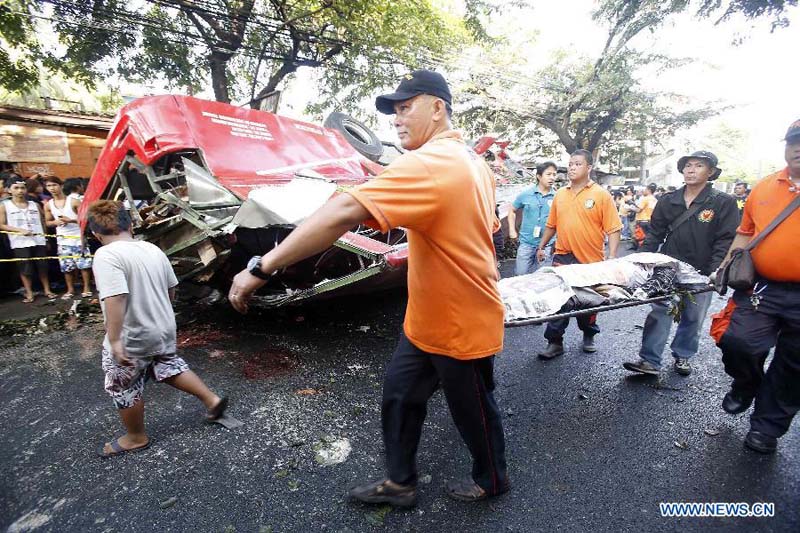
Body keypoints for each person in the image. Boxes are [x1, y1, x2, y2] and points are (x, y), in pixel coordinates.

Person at [228, 70, 509, 506]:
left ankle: (493, 480)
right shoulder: (472, 161)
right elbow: (484, 228)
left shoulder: (432, 163)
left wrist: (261, 268)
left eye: (405, 107)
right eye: (393, 112)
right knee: (400, 393)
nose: (396, 120)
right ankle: (400, 483)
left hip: (462, 319)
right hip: (428, 316)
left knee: (472, 409)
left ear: (438, 108)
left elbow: (342, 210)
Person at [88, 200, 229, 457]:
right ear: (130, 225)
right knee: (164, 364)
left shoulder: (106, 255)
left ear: (96, 234)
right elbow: (171, 288)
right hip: (162, 327)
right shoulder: (152, 249)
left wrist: (116, 340)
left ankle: (135, 437)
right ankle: (212, 400)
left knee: (123, 384)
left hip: (132, 333)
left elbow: (115, 297)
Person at [710, 119, 800, 454]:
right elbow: (746, 233)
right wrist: (723, 268)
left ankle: (766, 428)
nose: (798, 148)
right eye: (794, 141)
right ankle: (747, 382)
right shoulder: (763, 187)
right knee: (737, 342)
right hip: (761, 287)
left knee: (794, 365)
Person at [623, 150, 738, 376]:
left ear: (711, 172)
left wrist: (716, 270)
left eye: (698, 166)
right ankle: (649, 361)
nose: (691, 170)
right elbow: (654, 234)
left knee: (693, 317)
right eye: (688, 165)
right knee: (659, 311)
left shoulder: (723, 202)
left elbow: (726, 238)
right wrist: (641, 261)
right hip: (668, 267)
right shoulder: (669, 200)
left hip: (702, 270)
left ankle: (683, 355)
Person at [534, 149, 622, 359]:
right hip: (563, 256)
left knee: (589, 303)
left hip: (590, 260)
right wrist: (541, 246)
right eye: (571, 164)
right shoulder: (560, 194)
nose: (572, 167)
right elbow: (551, 224)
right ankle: (555, 342)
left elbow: (614, 228)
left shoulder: (601, 194)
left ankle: (589, 334)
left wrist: (611, 257)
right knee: (559, 300)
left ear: (589, 168)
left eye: (578, 164)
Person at [0, 174, 57, 302]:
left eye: (22, 188)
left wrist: (46, 238)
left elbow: (42, 222)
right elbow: (1, 225)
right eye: (16, 188)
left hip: (39, 239)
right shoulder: (5, 206)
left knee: (42, 266)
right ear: (9, 190)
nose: (20, 191)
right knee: (25, 268)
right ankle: (29, 292)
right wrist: (19, 230)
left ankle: (47, 290)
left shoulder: (34, 205)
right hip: (19, 242)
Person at [44, 176, 93, 299]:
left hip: (77, 237)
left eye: (54, 185)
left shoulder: (73, 201)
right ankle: (70, 289)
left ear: (60, 185)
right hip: (62, 239)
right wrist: (55, 223)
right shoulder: (49, 204)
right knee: (66, 266)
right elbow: (47, 222)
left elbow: (86, 219)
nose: (52, 188)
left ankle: (86, 287)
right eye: (49, 186)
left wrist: (70, 220)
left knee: (84, 264)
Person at [508, 161, 557, 275]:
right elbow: (512, 210)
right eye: (548, 174)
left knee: (542, 278)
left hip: (547, 246)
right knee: (520, 276)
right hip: (526, 243)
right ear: (539, 176)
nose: (552, 178)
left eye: (554, 174)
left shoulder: (558, 197)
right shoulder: (525, 195)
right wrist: (512, 230)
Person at [630, 183, 658, 249]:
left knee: (640, 238)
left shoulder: (645, 199)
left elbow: (638, 210)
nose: (644, 191)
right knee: (647, 238)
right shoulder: (655, 199)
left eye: (645, 189)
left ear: (649, 190)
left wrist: (630, 208)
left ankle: (641, 251)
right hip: (650, 221)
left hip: (642, 221)